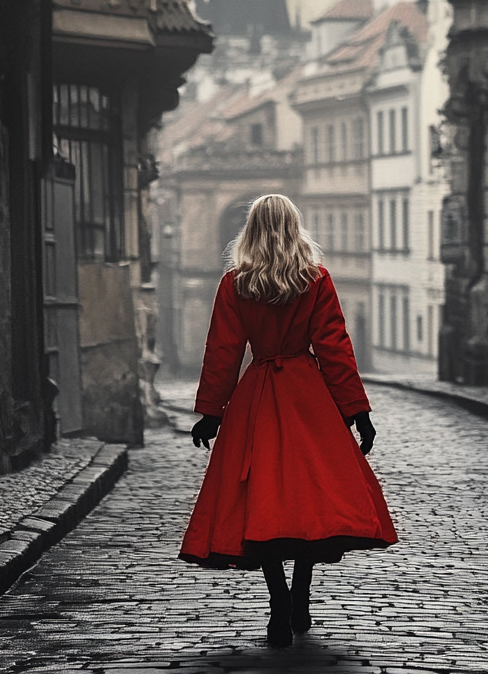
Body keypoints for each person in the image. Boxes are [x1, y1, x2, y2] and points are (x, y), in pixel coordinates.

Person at [179, 194, 397, 648]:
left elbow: (223, 351)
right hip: (307, 396)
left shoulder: (235, 283)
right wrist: (356, 411)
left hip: (256, 396)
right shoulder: (315, 279)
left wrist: (210, 413)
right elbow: (335, 347)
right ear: (295, 228)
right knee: (307, 504)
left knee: (262, 503)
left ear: (251, 230)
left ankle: (279, 602)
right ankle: (300, 598)